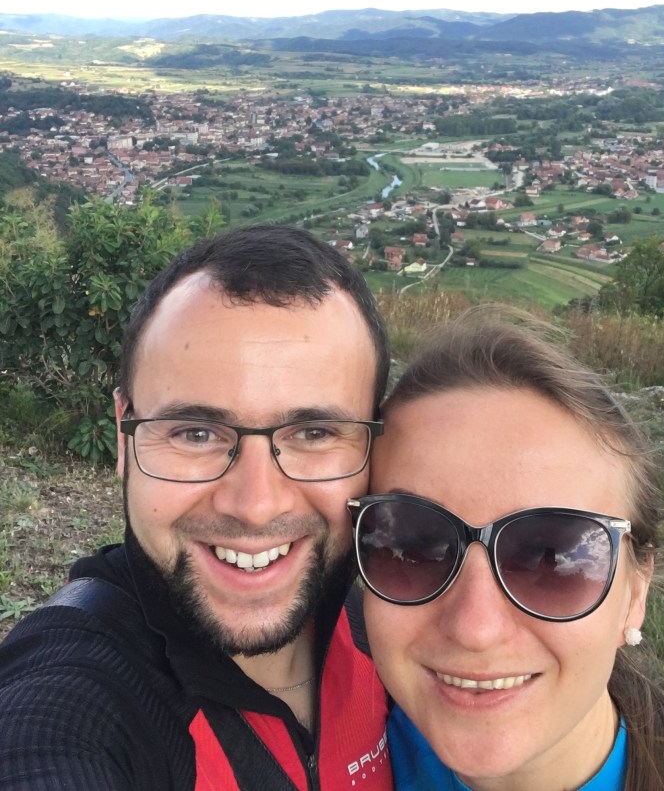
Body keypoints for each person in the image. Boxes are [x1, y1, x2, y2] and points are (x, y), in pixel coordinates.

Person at [0, 224, 393, 791]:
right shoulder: (75, 696)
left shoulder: (394, 629)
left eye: (313, 433)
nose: (256, 506)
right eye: (196, 433)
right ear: (124, 436)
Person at [350, 309, 664, 791]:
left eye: (552, 559)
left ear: (636, 592)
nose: (475, 630)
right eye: (412, 546)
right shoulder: (330, 745)